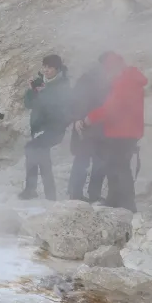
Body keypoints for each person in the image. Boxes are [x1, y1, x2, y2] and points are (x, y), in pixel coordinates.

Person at [79, 52, 147, 212]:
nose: (106, 73)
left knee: (120, 167)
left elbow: (111, 108)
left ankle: (128, 203)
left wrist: (90, 118)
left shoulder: (125, 81)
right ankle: (114, 199)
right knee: (114, 165)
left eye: (107, 69)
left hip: (123, 131)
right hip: (123, 130)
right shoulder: (127, 79)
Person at [19, 55, 72, 201]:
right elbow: (29, 104)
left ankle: (42, 192)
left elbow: (59, 108)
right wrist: (31, 90)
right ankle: (39, 191)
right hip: (38, 128)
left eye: (49, 67)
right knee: (36, 153)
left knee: (35, 151)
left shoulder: (63, 84)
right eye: (44, 67)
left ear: (57, 69)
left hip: (53, 129)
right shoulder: (40, 82)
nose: (46, 70)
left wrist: (43, 92)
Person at [67, 55, 112, 202]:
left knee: (99, 162)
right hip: (84, 127)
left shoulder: (108, 81)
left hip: (100, 128)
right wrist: (77, 119)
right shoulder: (86, 80)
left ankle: (93, 194)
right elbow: (75, 101)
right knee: (83, 161)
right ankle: (76, 193)